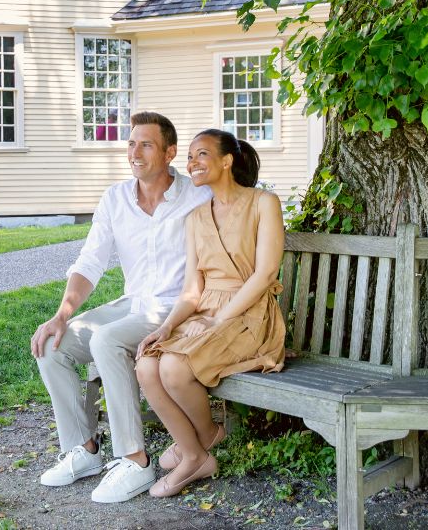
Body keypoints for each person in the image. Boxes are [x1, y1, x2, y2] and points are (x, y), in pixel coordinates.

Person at [31, 112, 212, 503]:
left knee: (108, 341)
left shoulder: (198, 195)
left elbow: (241, 202)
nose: (135, 152)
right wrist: (62, 314)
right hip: (134, 303)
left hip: (176, 308)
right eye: (131, 143)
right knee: (51, 345)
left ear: (170, 153)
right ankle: (85, 450)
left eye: (146, 144)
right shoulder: (115, 198)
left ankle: (136, 460)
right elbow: (90, 261)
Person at [135, 129, 286, 498]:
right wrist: (168, 326)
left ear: (226, 160)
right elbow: (192, 290)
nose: (192, 164)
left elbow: (265, 274)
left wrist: (219, 320)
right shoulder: (196, 217)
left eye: (201, 154)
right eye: (189, 157)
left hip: (249, 313)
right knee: (146, 361)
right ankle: (198, 447)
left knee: (173, 367)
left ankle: (194, 451)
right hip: (205, 311)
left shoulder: (263, 203)